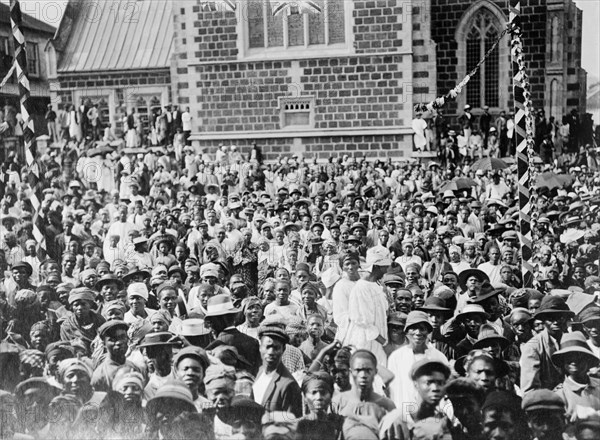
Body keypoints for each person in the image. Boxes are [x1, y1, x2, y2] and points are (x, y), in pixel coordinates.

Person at [387, 310, 448, 411]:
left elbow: (443, 388)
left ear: (428, 332)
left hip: (432, 415)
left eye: (422, 329)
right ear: (406, 332)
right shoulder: (396, 357)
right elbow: (393, 390)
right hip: (404, 412)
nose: (418, 333)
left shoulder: (438, 357)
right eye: (413, 328)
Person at [520, 296, 574, 393]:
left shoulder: (571, 341)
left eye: (560, 317)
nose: (556, 322)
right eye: (551, 318)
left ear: (566, 319)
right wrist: (553, 394)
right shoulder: (533, 347)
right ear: (543, 320)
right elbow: (529, 391)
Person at [253, 322, 303, 417]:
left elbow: (292, 423)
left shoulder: (289, 385)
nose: (271, 352)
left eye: (276, 348)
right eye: (267, 347)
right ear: (260, 348)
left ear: (283, 349)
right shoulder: (259, 373)